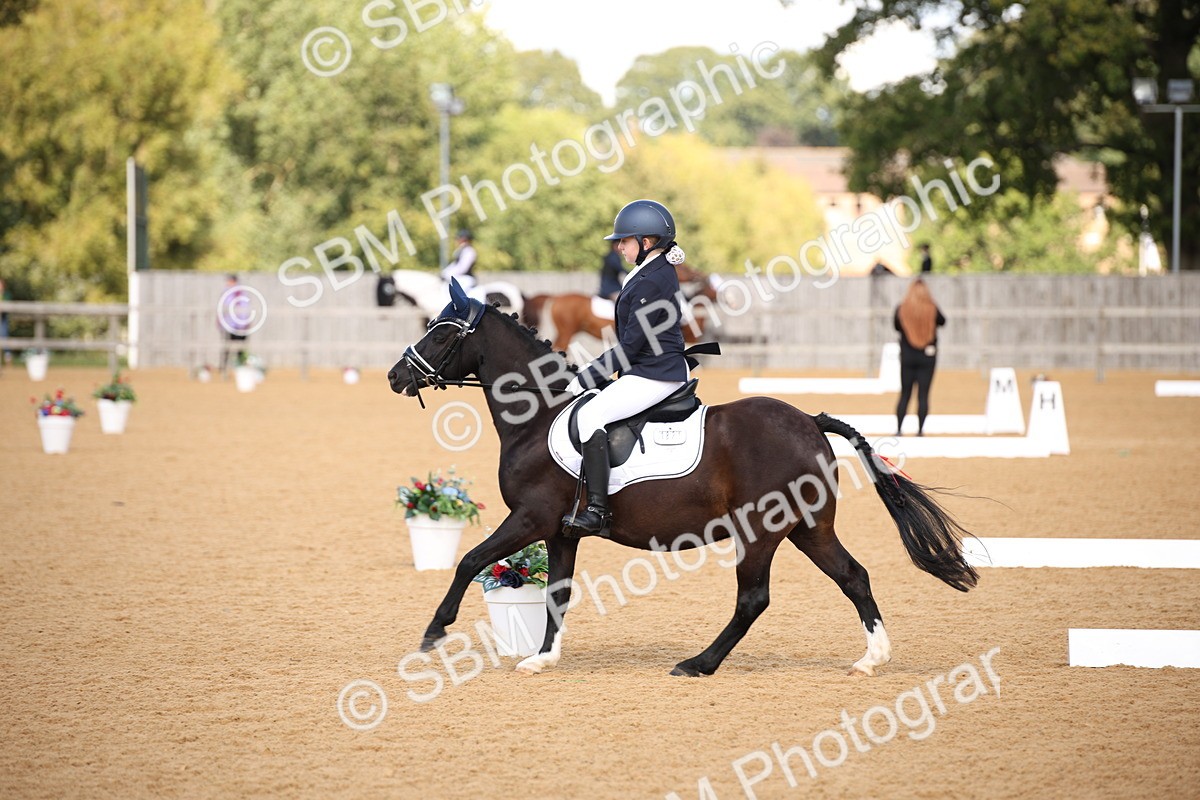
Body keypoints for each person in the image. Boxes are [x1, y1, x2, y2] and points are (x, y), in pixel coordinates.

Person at [561, 199, 690, 538]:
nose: (618, 246)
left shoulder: (653, 279)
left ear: (647, 242)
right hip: (649, 367)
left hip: (656, 373)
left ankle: (597, 510)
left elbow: (631, 346)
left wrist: (587, 375)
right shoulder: (651, 270)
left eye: (625, 240)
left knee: (590, 416)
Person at [894, 278, 945, 436]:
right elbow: (942, 322)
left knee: (905, 393)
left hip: (908, 357)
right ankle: (920, 430)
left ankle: (899, 429)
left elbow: (896, 326)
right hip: (927, 357)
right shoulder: (932, 308)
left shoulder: (902, 309)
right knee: (923, 394)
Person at [218, 273, 250, 377]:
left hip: (238, 324)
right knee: (228, 348)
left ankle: (240, 369)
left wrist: (244, 322)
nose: (228, 283)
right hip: (230, 324)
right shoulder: (228, 292)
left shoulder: (238, 293)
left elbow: (243, 309)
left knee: (239, 349)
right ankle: (225, 369)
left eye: (229, 281)